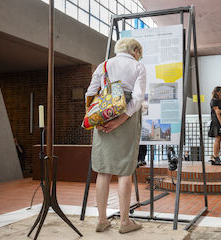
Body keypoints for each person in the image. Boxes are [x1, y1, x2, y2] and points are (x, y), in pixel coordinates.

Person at [85, 38, 146, 234]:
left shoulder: (103, 65)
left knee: (103, 170)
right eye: (140, 52)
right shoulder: (138, 67)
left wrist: (98, 119)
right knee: (125, 170)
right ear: (135, 50)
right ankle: (125, 222)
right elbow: (137, 99)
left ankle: (102, 220)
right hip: (125, 115)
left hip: (103, 113)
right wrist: (120, 120)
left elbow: (91, 92)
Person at [208, 86, 221, 165]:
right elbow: (217, 113)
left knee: (219, 140)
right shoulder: (214, 101)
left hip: (220, 121)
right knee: (217, 139)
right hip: (216, 122)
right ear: (218, 92)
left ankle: (216, 156)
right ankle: (215, 156)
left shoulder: (220, 100)